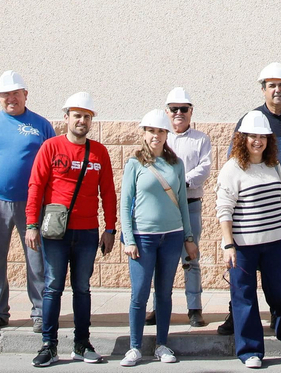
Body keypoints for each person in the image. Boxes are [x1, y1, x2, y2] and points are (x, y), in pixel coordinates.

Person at [219, 63, 281, 338]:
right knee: (244, 274)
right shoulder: (250, 119)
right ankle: (235, 314)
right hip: (252, 212)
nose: (278, 90)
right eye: (272, 85)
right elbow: (235, 162)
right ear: (263, 89)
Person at [26, 91, 118, 368]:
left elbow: (109, 193)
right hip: (55, 233)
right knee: (53, 287)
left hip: (88, 232)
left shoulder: (99, 152)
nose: (81, 120)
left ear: (91, 121)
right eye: (77, 115)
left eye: (86, 116)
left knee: (82, 288)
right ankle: (49, 345)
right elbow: (36, 186)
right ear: (66, 118)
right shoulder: (51, 147)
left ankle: (82, 343)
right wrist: (31, 224)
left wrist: (110, 229)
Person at [0, 70, 56, 333]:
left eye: (15, 93)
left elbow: (51, 162)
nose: (11, 98)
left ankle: (40, 312)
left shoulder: (40, 125)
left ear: (25, 95)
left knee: (37, 260)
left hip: (32, 204)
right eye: (5, 94)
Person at [218, 112, 281, 369]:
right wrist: (228, 244)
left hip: (275, 242)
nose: (258, 141)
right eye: (252, 136)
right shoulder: (232, 168)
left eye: (262, 136)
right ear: (243, 138)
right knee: (244, 297)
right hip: (243, 245)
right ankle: (250, 350)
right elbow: (224, 209)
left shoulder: (274, 164)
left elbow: (280, 199)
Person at [120, 109, 197, 367]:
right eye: (151, 131)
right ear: (144, 133)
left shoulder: (176, 164)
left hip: (172, 236)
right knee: (139, 293)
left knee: (164, 293)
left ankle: (162, 344)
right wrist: (129, 239)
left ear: (167, 134)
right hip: (143, 238)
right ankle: (134, 346)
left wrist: (188, 236)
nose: (156, 136)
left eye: (161, 131)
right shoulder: (134, 164)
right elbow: (125, 203)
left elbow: (183, 205)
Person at [148, 88, 211, 329]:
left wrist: (180, 182)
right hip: (164, 208)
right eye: (174, 109)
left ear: (191, 112)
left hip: (190, 205)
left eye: (183, 109)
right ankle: (158, 307)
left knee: (191, 257)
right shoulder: (160, 138)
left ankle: (194, 308)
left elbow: (204, 168)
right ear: (167, 112)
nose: (178, 113)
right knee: (161, 260)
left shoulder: (201, 139)